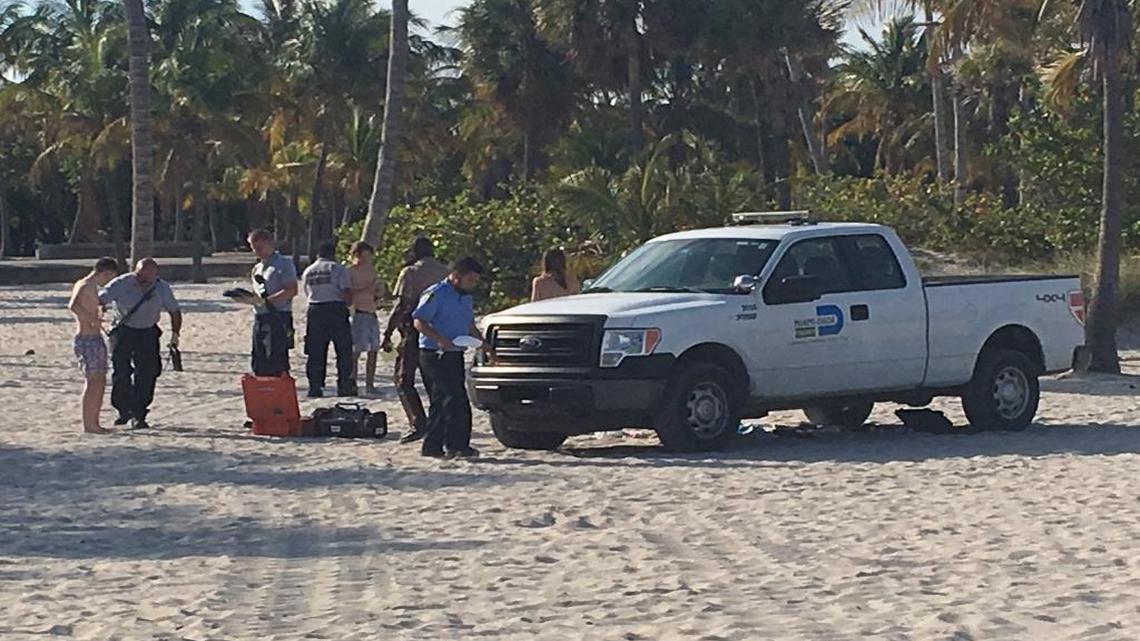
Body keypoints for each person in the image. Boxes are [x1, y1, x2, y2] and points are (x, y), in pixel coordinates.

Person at [413, 256, 486, 459]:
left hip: (455, 353)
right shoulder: (437, 293)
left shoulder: (466, 297)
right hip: (433, 353)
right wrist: (440, 339)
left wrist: (484, 345)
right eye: (470, 279)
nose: (473, 284)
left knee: (442, 399)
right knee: (453, 398)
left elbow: (470, 326)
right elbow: (419, 321)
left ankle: (433, 446)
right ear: (456, 276)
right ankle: (456, 445)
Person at [99, 258, 182, 430]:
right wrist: (99, 309)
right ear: (135, 271)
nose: (144, 280)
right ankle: (123, 409)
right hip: (124, 331)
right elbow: (101, 298)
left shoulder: (161, 287)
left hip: (147, 331)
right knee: (121, 370)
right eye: (140, 276)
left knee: (147, 373)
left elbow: (174, 311)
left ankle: (139, 413)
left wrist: (175, 335)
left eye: (149, 277)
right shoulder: (121, 283)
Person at [382, 236, 451, 443]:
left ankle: (418, 423)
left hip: (414, 330)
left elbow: (403, 305)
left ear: (414, 252)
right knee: (434, 379)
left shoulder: (410, 272)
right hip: (440, 331)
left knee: (404, 379)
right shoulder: (446, 271)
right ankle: (439, 421)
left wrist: (388, 333)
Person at [68, 257, 121, 434]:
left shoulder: (90, 287)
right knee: (93, 382)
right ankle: (90, 425)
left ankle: (94, 423)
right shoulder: (86, 285)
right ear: (104, 273)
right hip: (87, 337)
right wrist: (92, 320)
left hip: (94, 337)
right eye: (109, 277)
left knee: (99, 381)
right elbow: (73, 306)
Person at [300, 240, 355, 398]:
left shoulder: (309, 271)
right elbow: (346, 292)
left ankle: (315, 386)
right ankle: (344, 384)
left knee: (316, 350)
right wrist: (348, 302)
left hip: (315, 309)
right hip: (335, 308)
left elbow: (306, 292)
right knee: (343, 349)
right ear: (333, 254)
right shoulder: (338, 269)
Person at [248, 229, 298, 377]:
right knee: (259, 359)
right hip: (260, 316)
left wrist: (268, 301)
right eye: (253, 249)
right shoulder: (257, 268)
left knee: (277, 359)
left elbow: (291, 290)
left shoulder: (283, 263)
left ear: (270, 244)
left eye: (260, 248)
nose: (257, 252)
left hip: (278, 316)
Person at [347, 241, 385, 395]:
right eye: (365, 256)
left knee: (374, 349)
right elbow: (348, 292)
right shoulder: (350, 271)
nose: (368, 260)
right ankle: (353, 381)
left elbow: (375, 291)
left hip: (371, 311)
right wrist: (365, 289)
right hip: (358, 313)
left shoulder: (372, 270)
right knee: (356, 350)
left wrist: (378, 293)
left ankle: (370, 384)